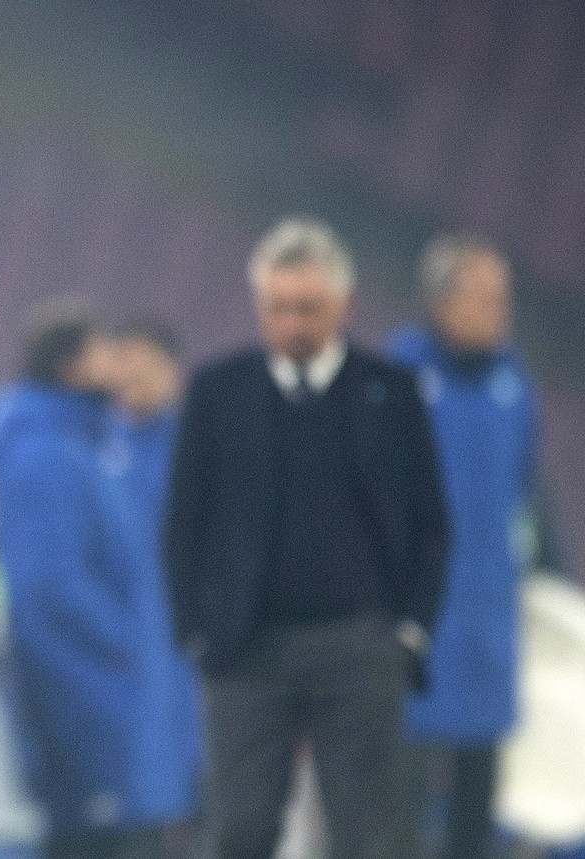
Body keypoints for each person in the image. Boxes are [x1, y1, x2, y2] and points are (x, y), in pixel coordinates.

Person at [163, 217, 449, 859]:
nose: (292, 324)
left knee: (371, 839)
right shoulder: (217, 393)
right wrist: (194, 627)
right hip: (245, 650)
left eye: (308, 309)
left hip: (361, 646)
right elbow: (184, 522)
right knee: (239, 832)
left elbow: (432, 521)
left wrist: (410, 630)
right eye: (277, 308)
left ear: (344, 306)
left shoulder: (392, 392)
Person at [0, 299, 178, 859]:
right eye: (105, 348)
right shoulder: (43, 453)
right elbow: (50, 588)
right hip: (83, 694)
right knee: (93, 841)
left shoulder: (88, 441)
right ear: (70, 365)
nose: (120, 360)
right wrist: (130, 644)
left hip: (106, 686)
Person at [387, 234, 538, 859]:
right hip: (413, 624)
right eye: (487, 299)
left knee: (477, 805)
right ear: (443, 303)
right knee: (395, 807)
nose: (501, 312)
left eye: (505, 299)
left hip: (489, 624)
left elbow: (527, 498)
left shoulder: (514, 386)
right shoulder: (395, 379)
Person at [103, 321, 203, 853]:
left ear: (174, 371)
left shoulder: (205, 447)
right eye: (124, 371)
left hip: (199, 652)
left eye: (144, 369)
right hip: (127, 654)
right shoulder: (98, 449)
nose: (131, 383)